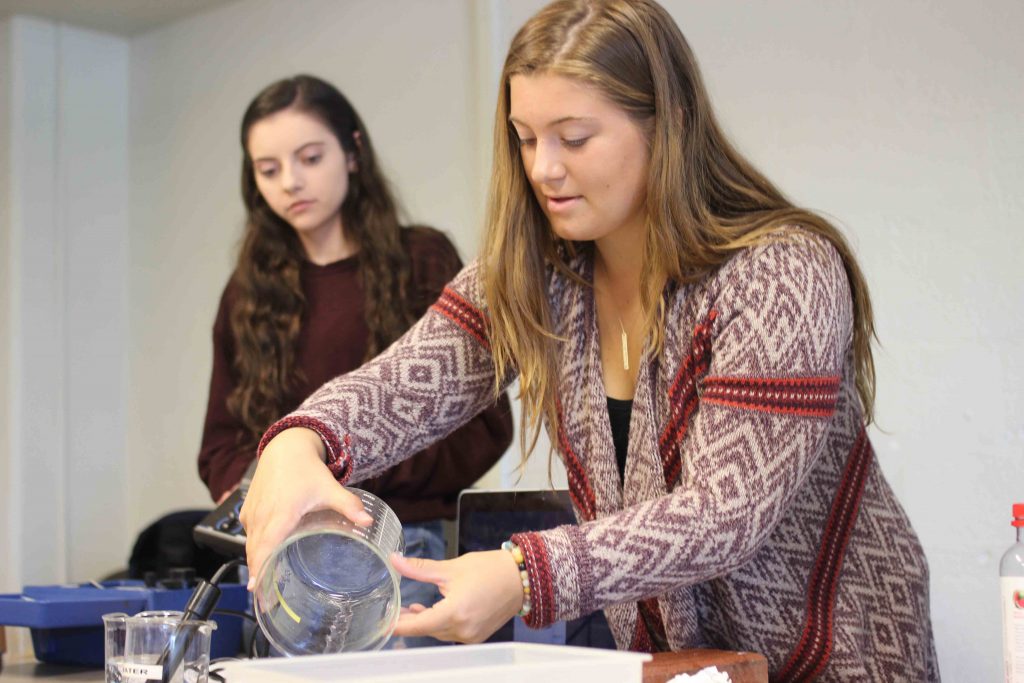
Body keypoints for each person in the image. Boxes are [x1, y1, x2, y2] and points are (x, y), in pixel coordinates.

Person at [239, 3, 939, 679]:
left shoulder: (783, 270)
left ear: (669, 123)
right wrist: (301, 441)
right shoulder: (536, 274)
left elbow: (727, 512)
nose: (543, 168)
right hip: (681, 670)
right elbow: (404, 384)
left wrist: (525, 573)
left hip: (842, 661)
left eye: (574, 138)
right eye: (525, 136)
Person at [197, 74, 514, 646]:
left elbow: (483, 425)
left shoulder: (421, 258)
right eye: (268, 170)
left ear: (352, 151)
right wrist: (267, 492)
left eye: (310, 157)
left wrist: (341, 481)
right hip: (285, 564)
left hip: (403, 552)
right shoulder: (246, 293)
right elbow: (220, 444)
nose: (291, 182)